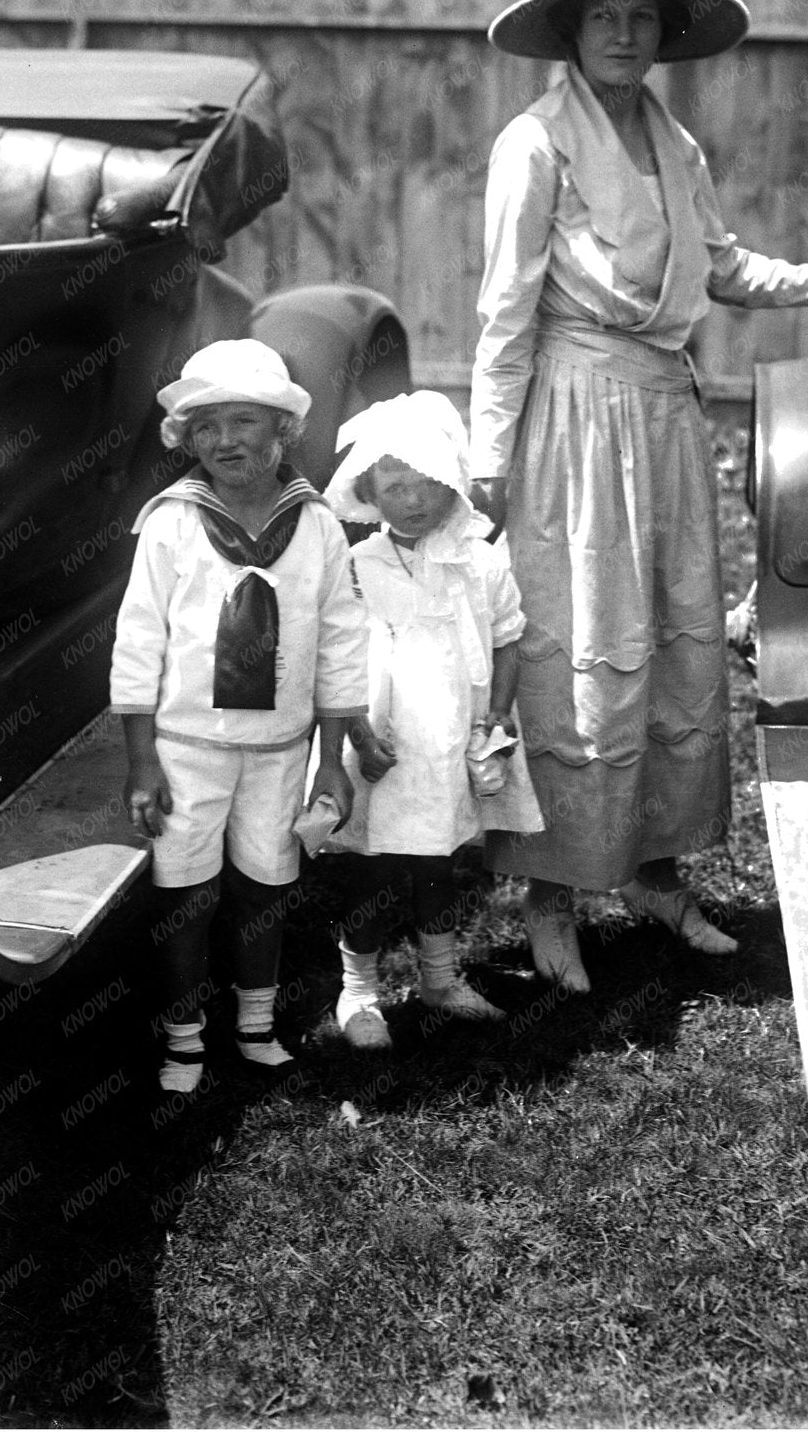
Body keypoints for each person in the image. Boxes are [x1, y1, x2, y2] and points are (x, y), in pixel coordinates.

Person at [470, 0, 808, 993]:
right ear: (569, 31)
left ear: (663, 36)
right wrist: (488, 460)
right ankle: (553, 893)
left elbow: (726, 269)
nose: (624, 32)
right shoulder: (534, 143)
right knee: (577, 638)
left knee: (673, 638)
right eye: (603, 14)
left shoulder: (675, 144)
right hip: (573, 416)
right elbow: (503, 307)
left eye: (641, 16)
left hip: (663, 410)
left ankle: (658, 875)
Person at [111, 339, 370, 1094]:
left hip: (281, 748)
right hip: (186, 746)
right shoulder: (171, 522)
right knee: (185, 890)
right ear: (187, 439)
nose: (226, 440)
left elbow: (341, 643)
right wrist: (140, 760)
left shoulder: (316, 525)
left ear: (282, 431)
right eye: (208, 425)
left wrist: (330, 760)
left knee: (265, 885)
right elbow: (138, 640)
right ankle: (184, 1037)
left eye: (246, 421)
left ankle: (255, 1023)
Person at [321, 391, 545, 1049]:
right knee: (370, 863)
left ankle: (440, 978)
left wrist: (497, 716)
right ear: (368, 492)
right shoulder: (358, 568)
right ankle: (358, 990)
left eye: (427, 485)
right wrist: (360, 734)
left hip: (452, 735)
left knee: (439, 862)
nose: (413, 501)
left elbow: (509, 637)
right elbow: (338, 658)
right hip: (382, 740)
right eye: (394, 487)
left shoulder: (483, 560)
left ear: (453, 485)